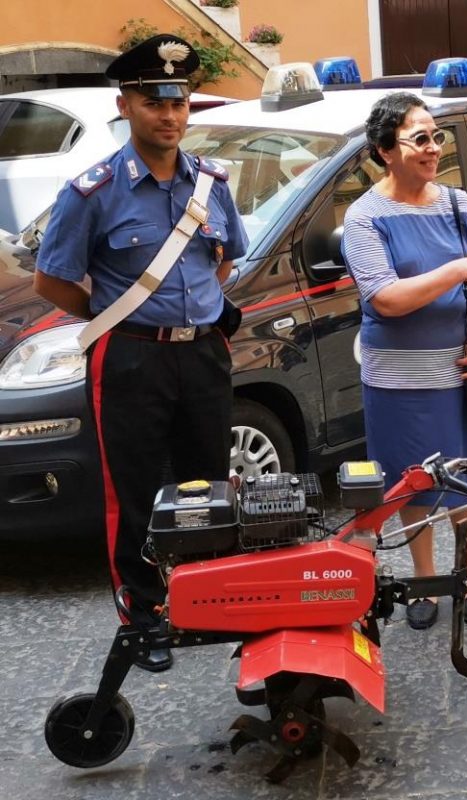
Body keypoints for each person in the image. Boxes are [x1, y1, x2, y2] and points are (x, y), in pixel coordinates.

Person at [33, 35, 248, 670]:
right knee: (131, 491)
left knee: (207, 479)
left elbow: (224, 260)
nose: (170, 115)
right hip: (130, 357)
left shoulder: (211, 183)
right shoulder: (92, 193)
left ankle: (206, 594)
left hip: (203, 353)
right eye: (154, 101)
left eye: (179, 101)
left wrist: (192, 312)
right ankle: (145, 610)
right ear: (125, 105)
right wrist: (116, 319)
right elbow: (52, 279)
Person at [341, 92, 467, 630]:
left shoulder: (457, 204)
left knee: (462, 480)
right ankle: (423, 581)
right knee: (411, 482)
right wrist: (458, 270)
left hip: (458, 369)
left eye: (437, 137)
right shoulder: (365, 216)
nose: (433, 148)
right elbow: (386, 298)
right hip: (394, 377)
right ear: (385, 151)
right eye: (420, 138)